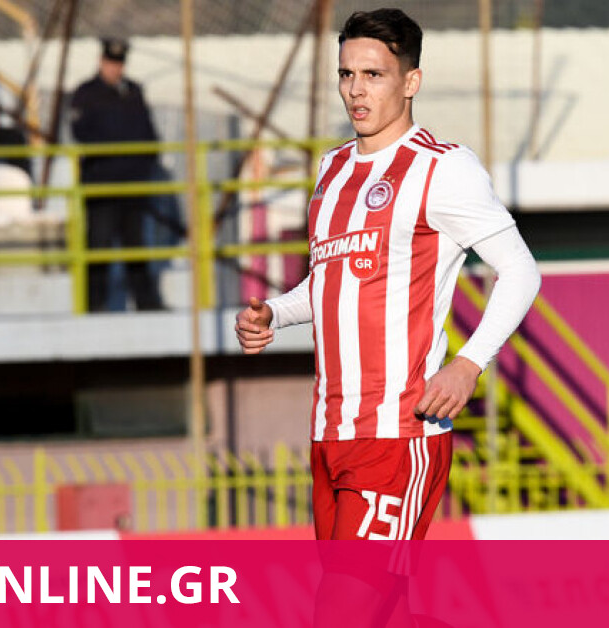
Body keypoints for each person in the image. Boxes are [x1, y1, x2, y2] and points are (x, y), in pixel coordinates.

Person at [234, 8, 541, 626]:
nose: (356, 90)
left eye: (373, 75)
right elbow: (331, 281)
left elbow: (520, 270)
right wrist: (275, 312)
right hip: (330, 433)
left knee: (340, 614)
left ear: (410, 81)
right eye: (346, 74)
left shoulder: (441, 167)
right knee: (381, 613)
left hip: (398, 434)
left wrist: (468, 364)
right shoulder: (332, 169)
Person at [69, 37, 166, 312]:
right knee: (98, 245)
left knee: (135, 245)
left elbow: (148, 134)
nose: (116, 68)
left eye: (120, 63)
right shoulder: (86, 94)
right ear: (102, 62)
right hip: (102, 184)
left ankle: (146, 302)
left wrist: (146, 161)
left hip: (132, 184)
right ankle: (94, 303)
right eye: (112, 62)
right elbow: (81, 133)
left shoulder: (132, 91)